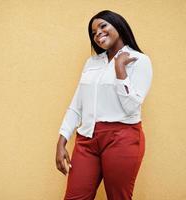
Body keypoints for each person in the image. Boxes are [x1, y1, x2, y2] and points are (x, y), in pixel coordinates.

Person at [55, 10, 153, 200]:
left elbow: (131, 107)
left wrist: (120, 69)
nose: (98, 33)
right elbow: (77, 104)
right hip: (86, 140)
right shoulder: (91, 62)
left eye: (103, 26)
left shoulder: (140, 61)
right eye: (93, 32)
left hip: (122, 138)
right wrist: (62, 141)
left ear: (118, 25)